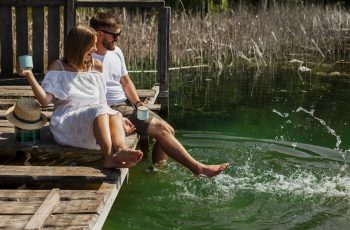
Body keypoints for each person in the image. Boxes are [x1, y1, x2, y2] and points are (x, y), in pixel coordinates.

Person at [90, 12, 229, 177]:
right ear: (99, 34)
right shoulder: (87, 56)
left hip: (126, 105)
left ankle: (156, 171)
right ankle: (198, 169)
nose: (117, 39)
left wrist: (138, 103)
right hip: (111, 110)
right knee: (162, 129)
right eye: (115, 35)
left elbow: (126, 82)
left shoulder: (116, 52)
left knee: (169, 129)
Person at [17, 24, 143, 169]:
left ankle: (121, 149)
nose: (95, 49)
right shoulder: (59, 67)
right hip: (67, 122)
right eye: (92, 45)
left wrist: (117, 118)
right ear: (79, 46)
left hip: (96, 117)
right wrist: (29, 75)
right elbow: (45, 101)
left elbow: (102, 101)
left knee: (114, 113)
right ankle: (108, 157)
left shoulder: (96, 66)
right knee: (99, 110)